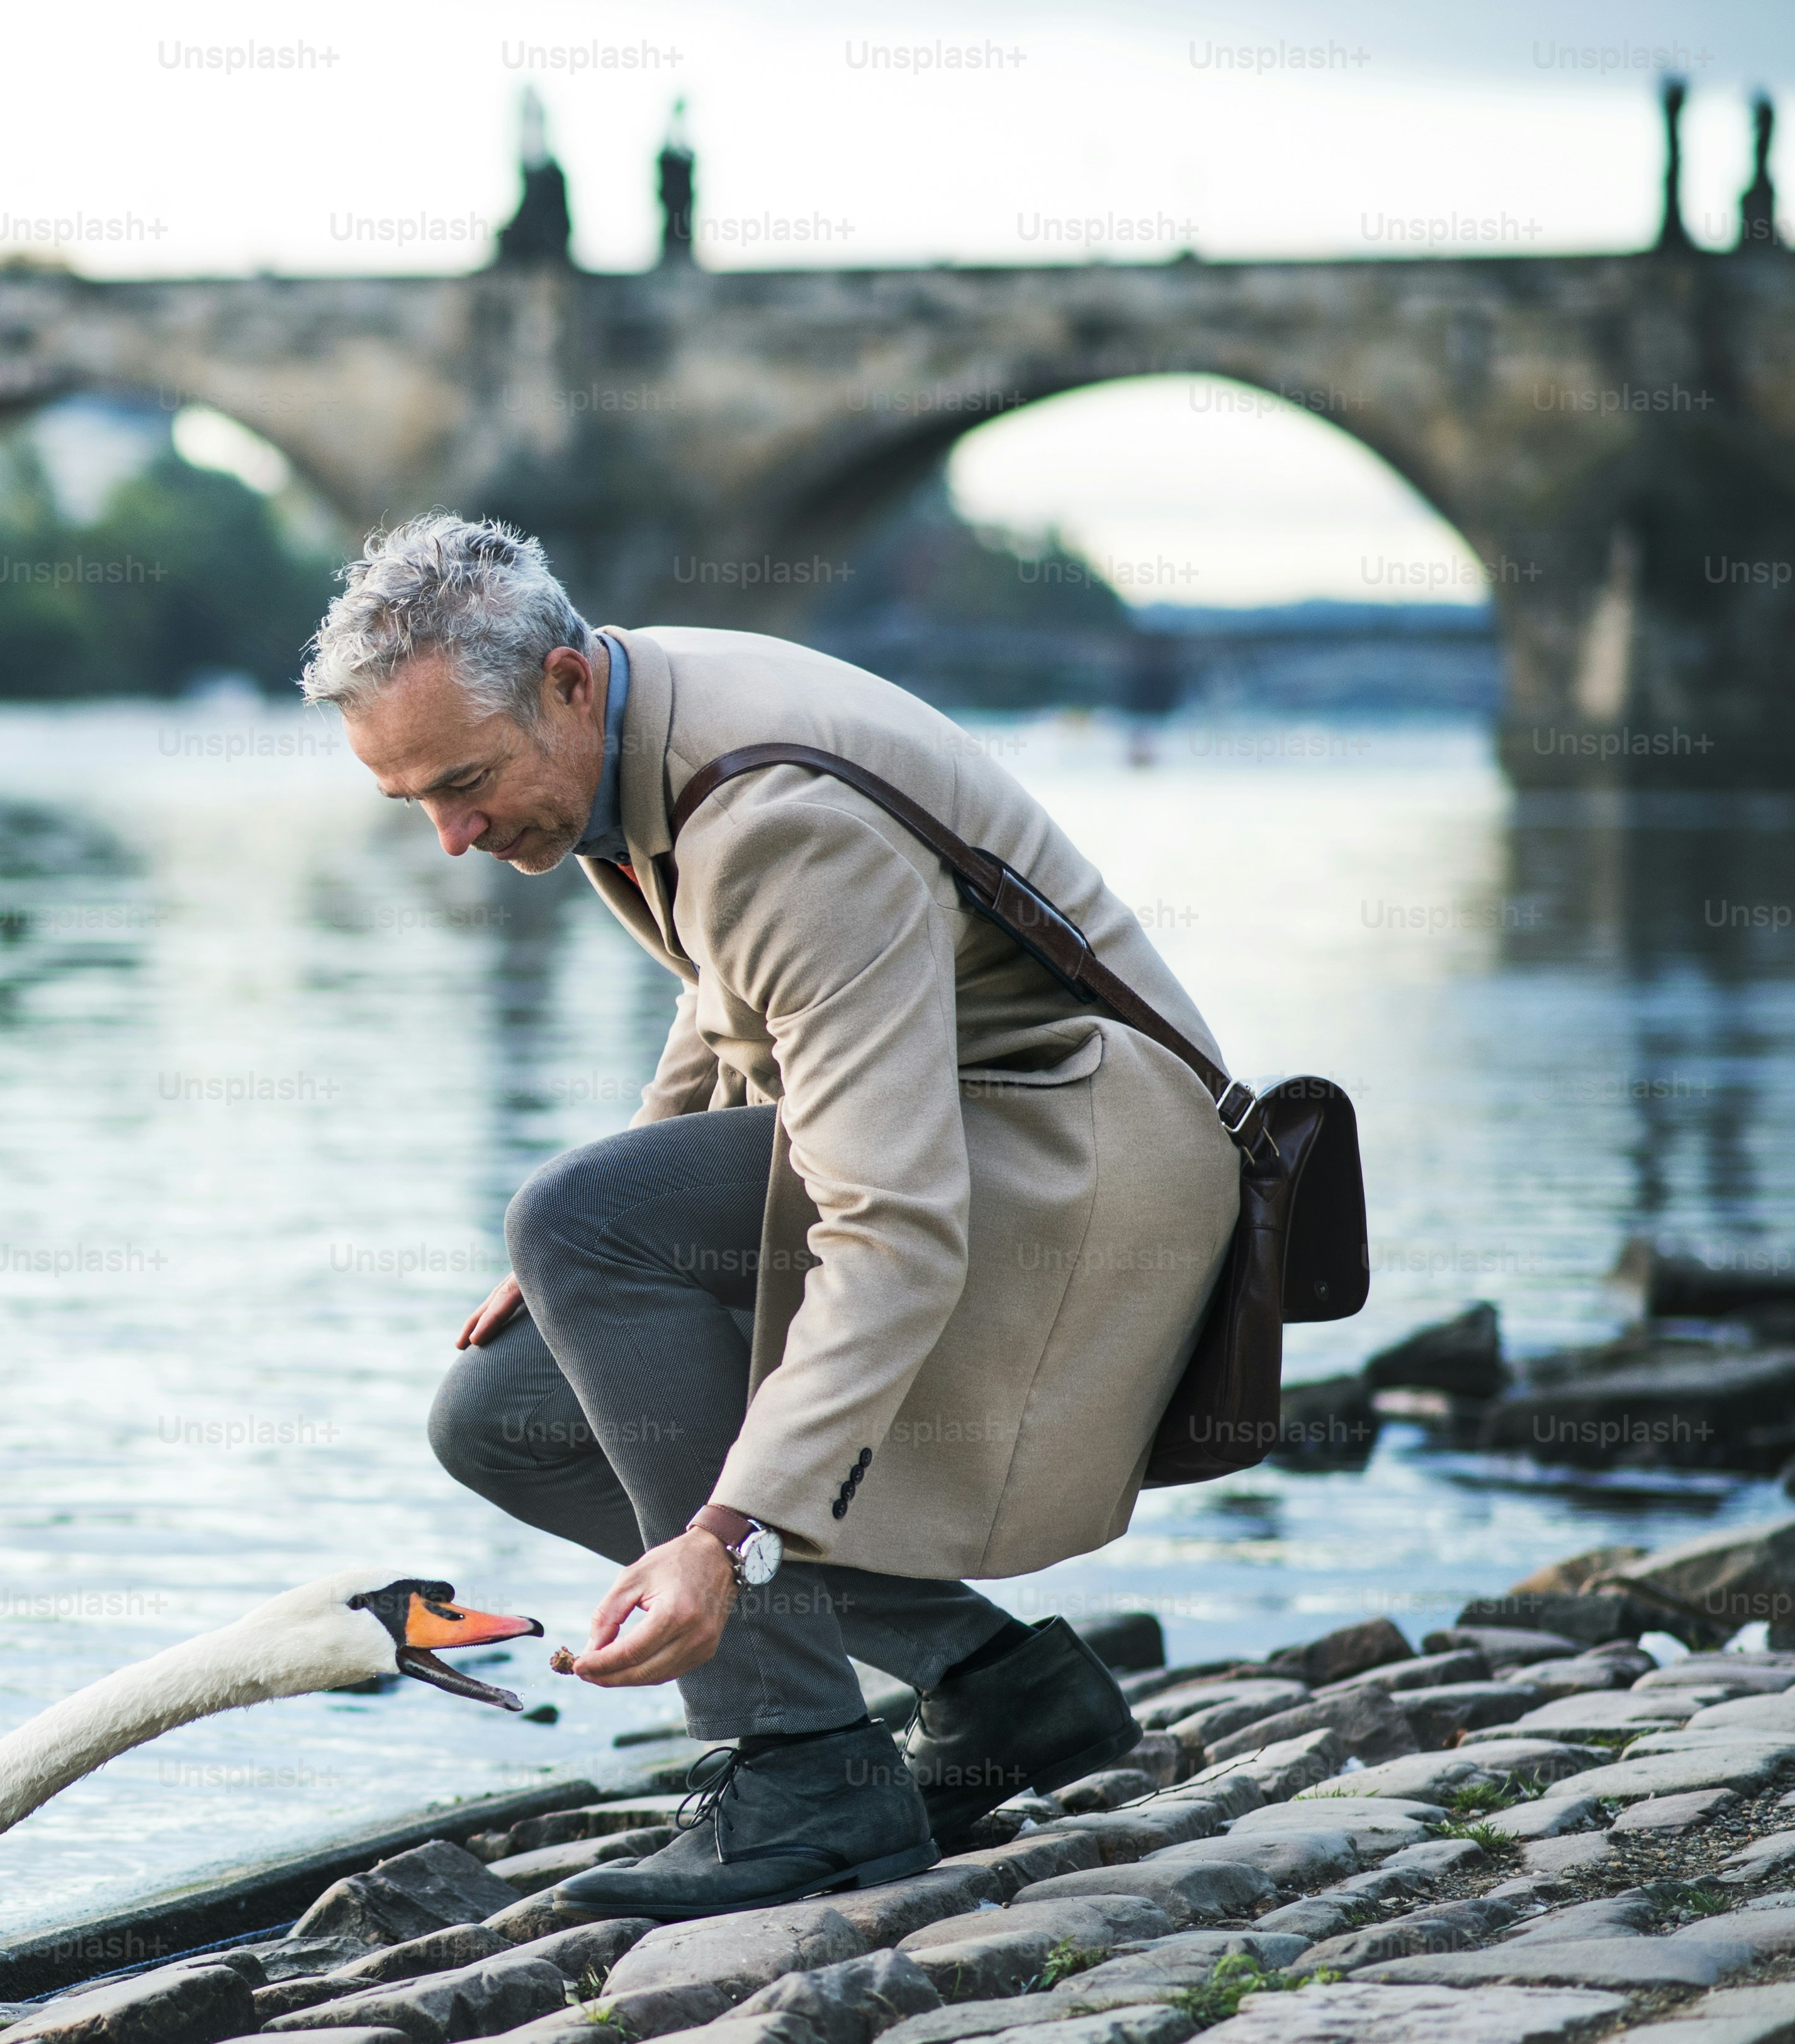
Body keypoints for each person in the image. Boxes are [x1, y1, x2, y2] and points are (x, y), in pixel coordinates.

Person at [301, 514, 1238, 1916]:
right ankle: (1000, 1685)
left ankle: (801, 1773)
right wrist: (597, 1222)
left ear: (564, 682)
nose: (453, 838)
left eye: (468, 783)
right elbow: (733, 991)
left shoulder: (776, 815)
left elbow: (897, 1232)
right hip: (993, 1129)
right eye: (413, 803)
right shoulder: (644, 722)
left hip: (1086, 1175)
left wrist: (730, 1527)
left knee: (578, 1219)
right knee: (502, 1409)